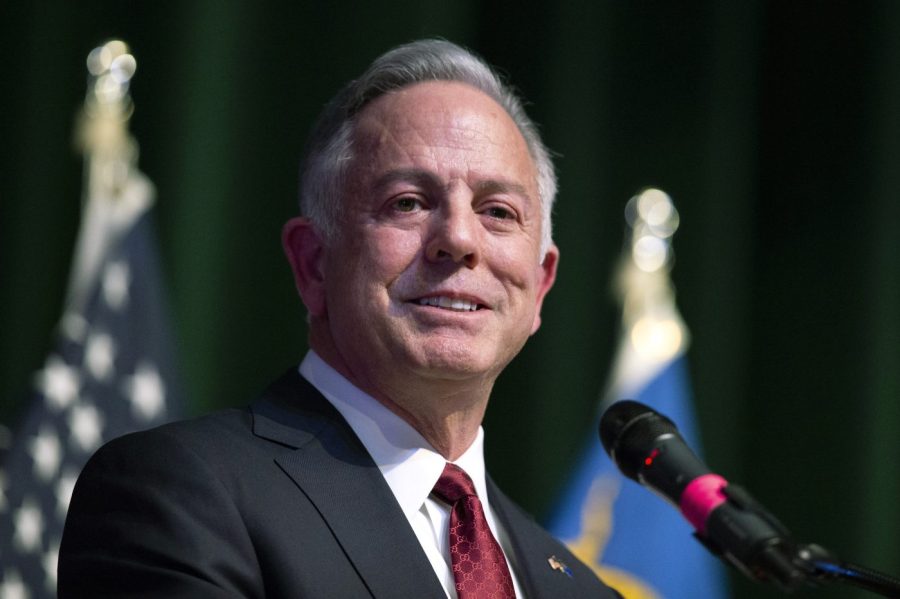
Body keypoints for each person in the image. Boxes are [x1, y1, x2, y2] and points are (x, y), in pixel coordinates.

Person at [58, 39, 622, 598]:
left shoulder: (586, 591)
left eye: (498, 212)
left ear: (541, 285)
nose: (458, 239)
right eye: (408, 202)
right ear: (314, 262)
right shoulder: (176, 496)